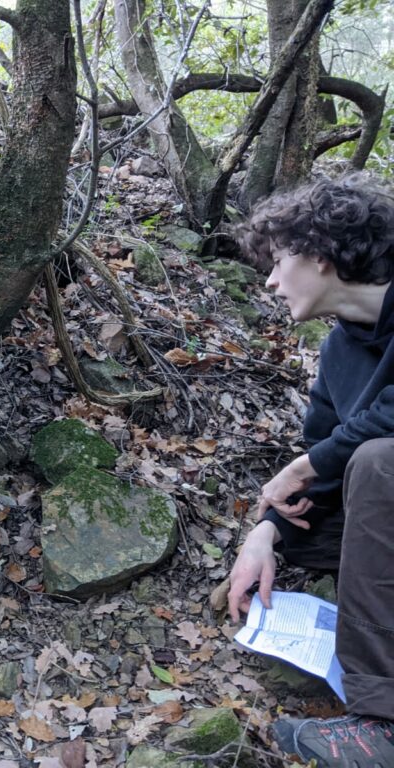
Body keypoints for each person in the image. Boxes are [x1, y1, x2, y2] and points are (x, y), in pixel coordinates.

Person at [226, 173, 394, 766]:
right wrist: (265, 533)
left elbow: (363, 438)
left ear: (320, 253)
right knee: (328, 503)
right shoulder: (340, 349)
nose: (270, 281)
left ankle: (382, 723)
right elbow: (322, 462)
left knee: (378, 460)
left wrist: (308, 464)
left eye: (277, 262)